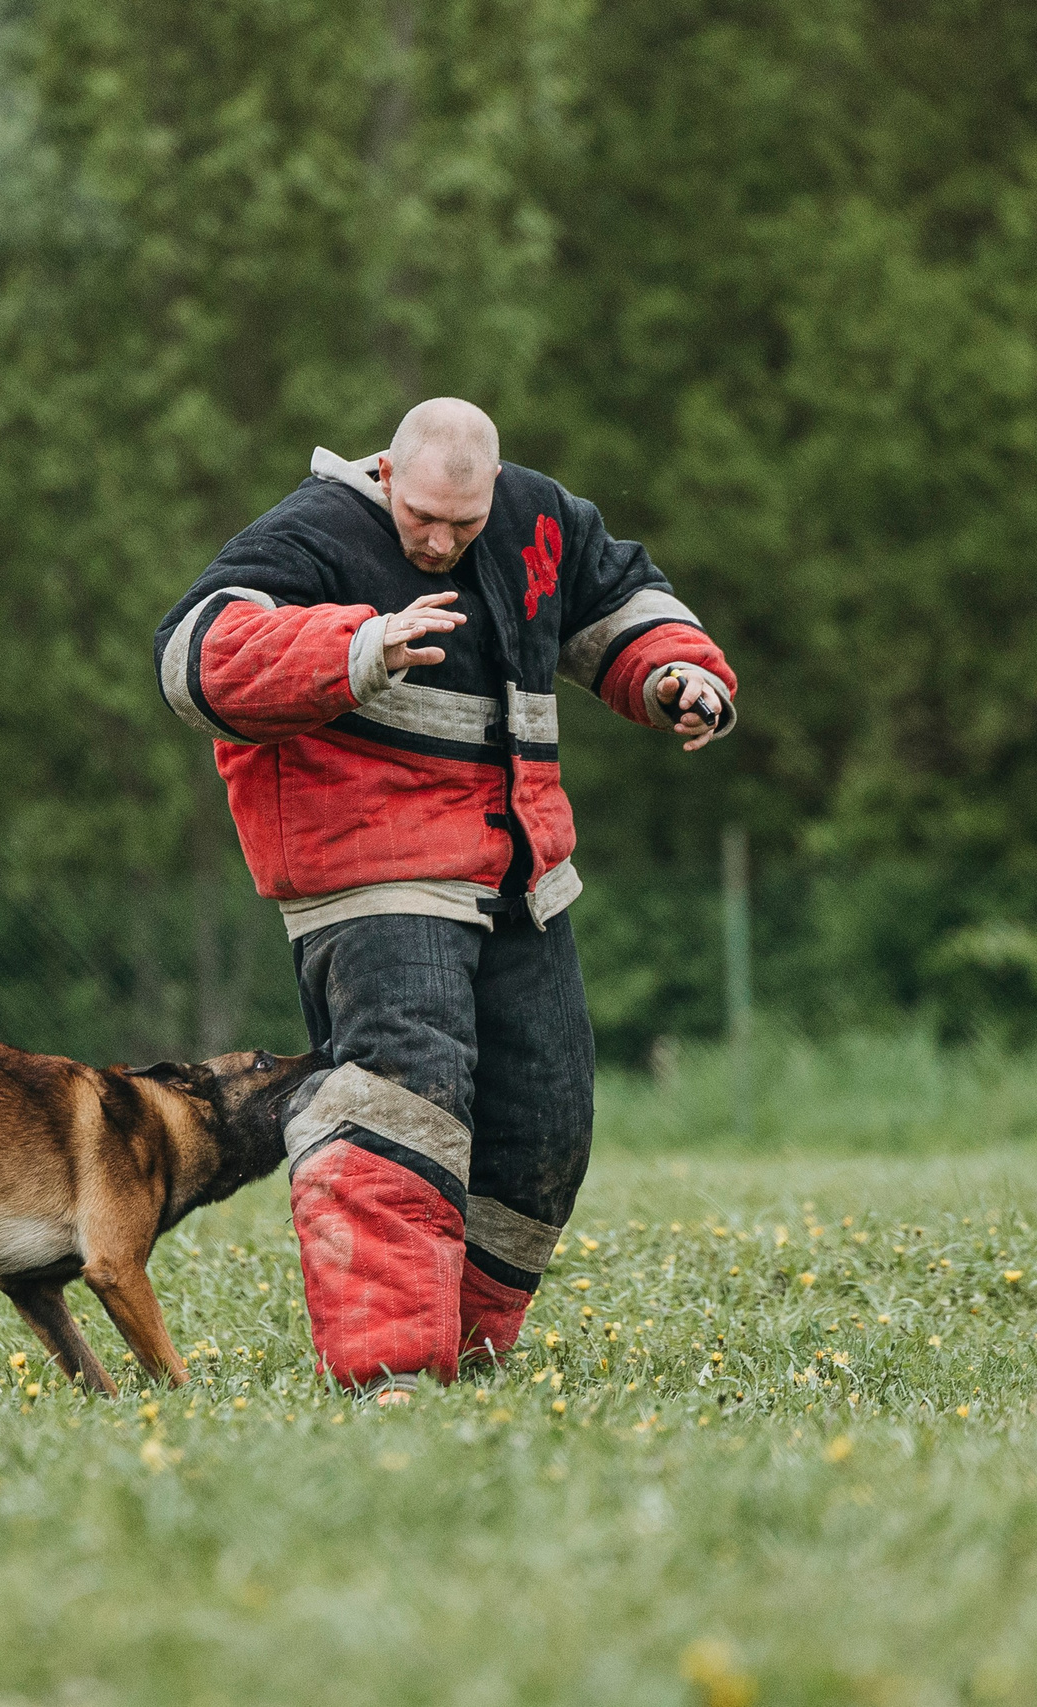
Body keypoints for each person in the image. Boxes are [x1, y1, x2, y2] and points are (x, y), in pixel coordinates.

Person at [154, 398, 739, 1398]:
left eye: (462, 526)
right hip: (368, 870)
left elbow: (622, 606)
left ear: (494, 494)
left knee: (545, 1129)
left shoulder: (538, 519)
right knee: (403, 1098)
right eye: (421, 517)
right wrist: (360, 648)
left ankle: (462, 1352)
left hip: (516, 876)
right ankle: (388, 1370)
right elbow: (194, 657)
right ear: (388, 475)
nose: (438, 540)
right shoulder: (314, 532)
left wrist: (678, 676)